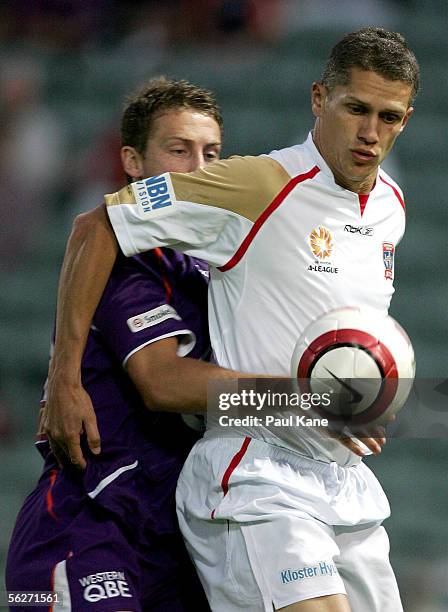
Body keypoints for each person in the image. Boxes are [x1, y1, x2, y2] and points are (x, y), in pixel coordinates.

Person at [39, 27, 419, 611]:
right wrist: (62, 377)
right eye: (356, 109)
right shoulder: (257, 184)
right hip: (255, 469)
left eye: (389, 117)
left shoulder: (391, 205)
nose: (371, 133)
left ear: (407, 118)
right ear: (320, 100)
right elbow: (98, 226)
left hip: (344, 484)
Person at [6, 76, 259, 612]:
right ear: (133, 163)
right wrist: (303, 402)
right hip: (86, 523)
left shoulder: (205, 271)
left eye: (211, 153)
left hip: (170, 537)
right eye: (178, 150)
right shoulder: (122, 259)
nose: (199, 169)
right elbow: (163, 382)